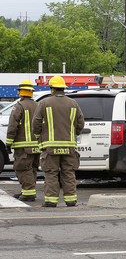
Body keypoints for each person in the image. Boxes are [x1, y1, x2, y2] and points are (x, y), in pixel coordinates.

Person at [32, 76, 84, 207]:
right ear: (63, 89)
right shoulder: (73, 103)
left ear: (52, 89)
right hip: (69, 146)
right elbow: (80, 123)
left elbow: (36, 123)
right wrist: (74, 134)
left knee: (51, 173)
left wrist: (38, 135)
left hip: (50, 146)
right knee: (69, 173)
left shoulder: (44, 103)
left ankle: (51, 201)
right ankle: (71, 200)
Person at [6, 80, 40, 201]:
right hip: (37, 145)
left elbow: (12, 126)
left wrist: (8, 143)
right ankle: (27, 190)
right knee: (32, 169)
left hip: (23, 146)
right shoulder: (38, 105)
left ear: (20, 92)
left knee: (23, 169)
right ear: (31, 92)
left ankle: (28, 194)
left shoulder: (19, 106)